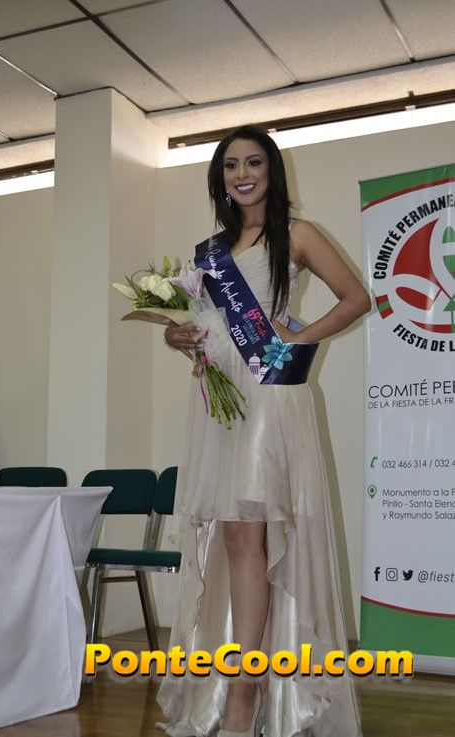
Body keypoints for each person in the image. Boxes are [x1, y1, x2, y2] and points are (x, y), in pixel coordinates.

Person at [156, 125, 370, 737]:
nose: (242, 174)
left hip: (271, 397)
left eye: (253, 162)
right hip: (220, 402)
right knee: (234, 538)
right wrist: (176, 335)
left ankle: (245, 696)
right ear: (219, 178)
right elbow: (203, 324)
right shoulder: (209, 252)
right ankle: (245, 683)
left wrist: (295, 340)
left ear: (272, 170)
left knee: (252, 533)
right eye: (230, 165)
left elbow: (355, 298)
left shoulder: (297, 234)